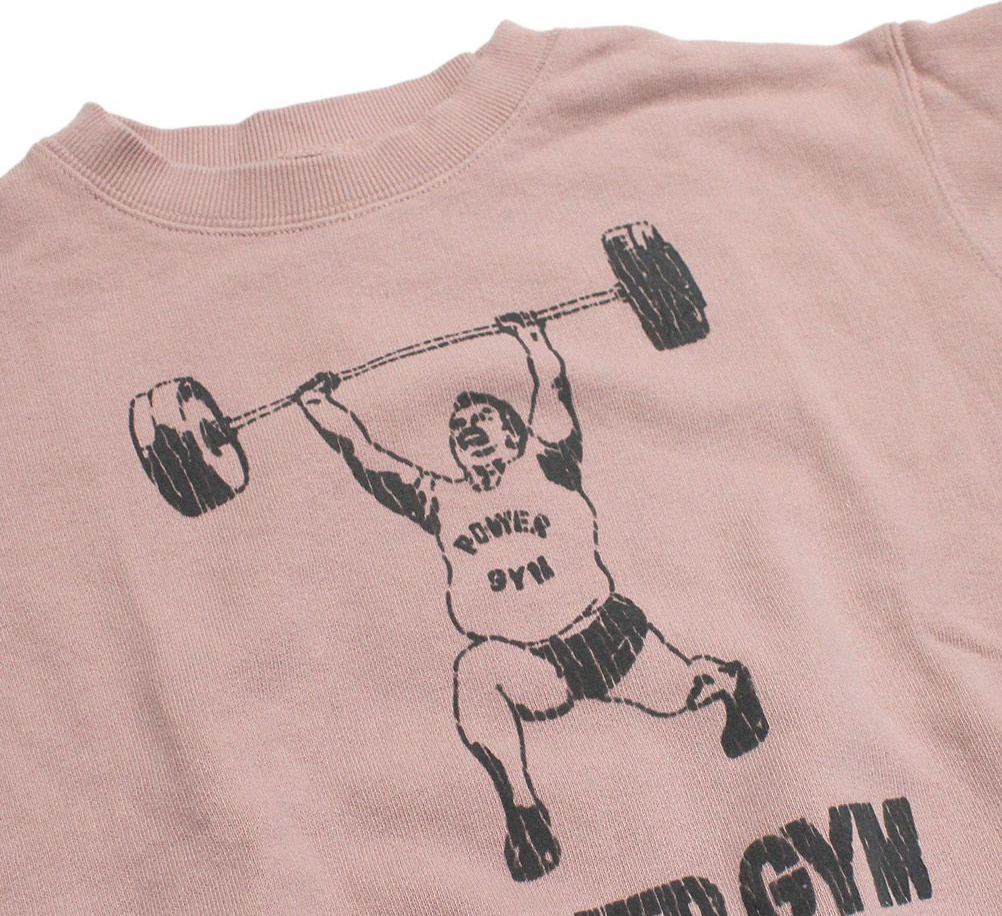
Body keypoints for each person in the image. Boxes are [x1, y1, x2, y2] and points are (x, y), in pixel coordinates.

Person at [296, 311, 769, 882]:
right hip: (532, 661)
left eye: (483, 419)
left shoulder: (549, 463)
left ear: (514, 434)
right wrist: (319, 407)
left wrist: (532, 339)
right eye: (459, 427)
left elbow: (552, 393)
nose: (468, 428)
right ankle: (524, 813)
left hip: (605, 636)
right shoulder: (439, 501)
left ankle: (730, 682)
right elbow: (367, 457)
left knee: (679, 695)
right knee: (477, 670)